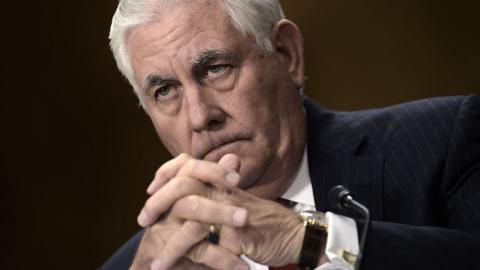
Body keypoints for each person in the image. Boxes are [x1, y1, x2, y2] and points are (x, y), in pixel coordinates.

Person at [102, 0, 480, 269]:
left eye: (216, 68)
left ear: (286, 55)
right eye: (165, 91)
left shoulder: (442, 142)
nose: (200, 116)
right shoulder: (139, 266)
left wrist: (309, 240)